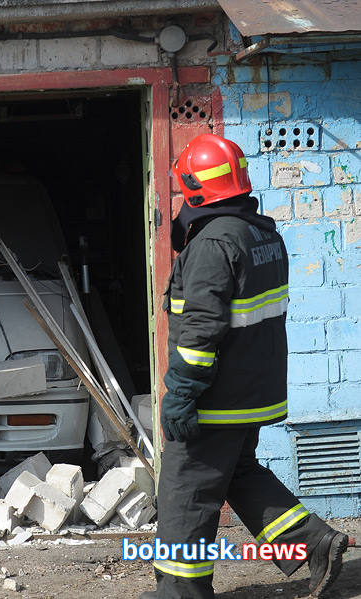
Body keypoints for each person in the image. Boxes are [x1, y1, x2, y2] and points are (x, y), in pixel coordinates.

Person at [140, 134, 348, 599]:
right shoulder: (263, 235)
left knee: (185, 493)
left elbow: (200, 331)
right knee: (238, 472)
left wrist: (182, 394)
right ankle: (313, 543)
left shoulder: (213, 244)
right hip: (252, 391)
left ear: (195, 188)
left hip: (216, 397)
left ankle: (180, 593)